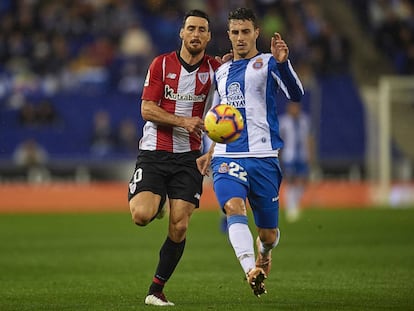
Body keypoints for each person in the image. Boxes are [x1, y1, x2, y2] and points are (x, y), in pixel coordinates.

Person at [197, 7, 304, 297]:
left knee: (268, 234)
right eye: (235, 32)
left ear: (257, 32)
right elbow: (218, 117)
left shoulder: (270, 63)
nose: (240, 37)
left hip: (264, 157)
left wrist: (283, 64)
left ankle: (264, 253)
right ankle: (249, 269)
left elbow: (296, 95)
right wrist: (211, 151)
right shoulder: (222, 71)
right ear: (228, 34)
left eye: (246, 31)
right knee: (233, 207)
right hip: (227, 157)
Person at [127, 9, 221, 306]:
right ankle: (154, 204)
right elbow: (146, 110)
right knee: (141, 215)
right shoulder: (161, 64)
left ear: (208, 36)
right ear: (182, 32)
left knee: (180, 226)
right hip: (155, 152)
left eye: (201, 30)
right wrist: (184, 122)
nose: (195, 34)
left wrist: (212, 151)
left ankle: (156, 290)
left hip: (189, 158)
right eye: (191, 28)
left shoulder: (217, 69)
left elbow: (229, 114)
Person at [279, 101, 313, 222]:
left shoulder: (305, 121)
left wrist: (310, 154)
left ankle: (295, 203)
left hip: (302, 155)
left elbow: (309, 138)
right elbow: (280, 139)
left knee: (303, 181)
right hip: (289, 156)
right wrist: (279, 156)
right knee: (290, 181)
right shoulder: (284, 122)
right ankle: (290, 207)